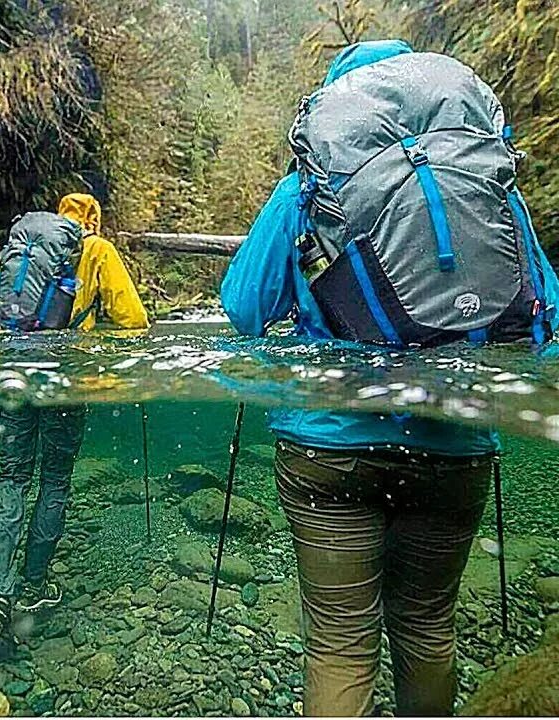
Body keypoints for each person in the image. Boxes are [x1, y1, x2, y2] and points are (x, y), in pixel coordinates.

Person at [221, 40, 559, 716]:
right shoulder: (492, 189)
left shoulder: (309, 187)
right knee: (427, 629)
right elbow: (543, 318)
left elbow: (244, 309)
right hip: (454, 444)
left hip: (327, 444)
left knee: (341, 645)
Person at [0, 192, 148, 637]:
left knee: (11, 479)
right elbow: (133, 318)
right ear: (94, 221)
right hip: (64, 380)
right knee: (54, 479)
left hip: (13, 370)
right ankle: (34, 585)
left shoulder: (28, 246)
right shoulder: (97, 250)